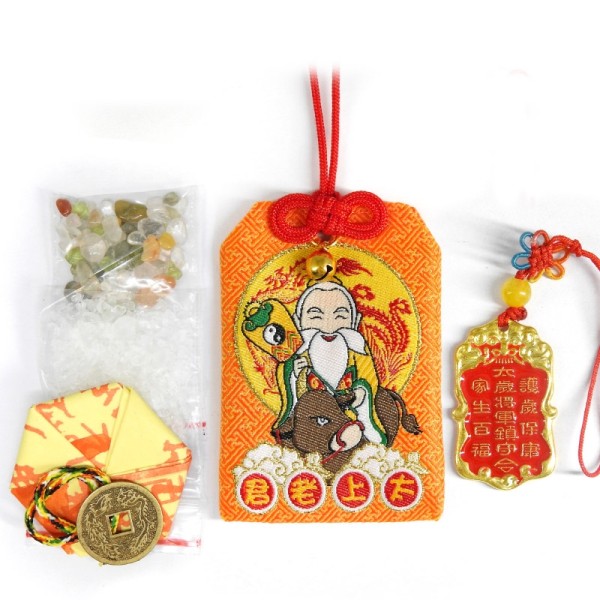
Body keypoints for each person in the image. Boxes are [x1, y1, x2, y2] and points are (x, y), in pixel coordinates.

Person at [273, 281, 387, 445]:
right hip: (311, 420)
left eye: (340, 316)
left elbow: (369, 382)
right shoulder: (295, 357)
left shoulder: (358, 352)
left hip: (349, 417)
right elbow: (288, 388)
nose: (328, 326)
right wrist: (295, 376)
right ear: (297, 322)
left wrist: (361, 394)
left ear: (355, 321)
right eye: (316, 317)